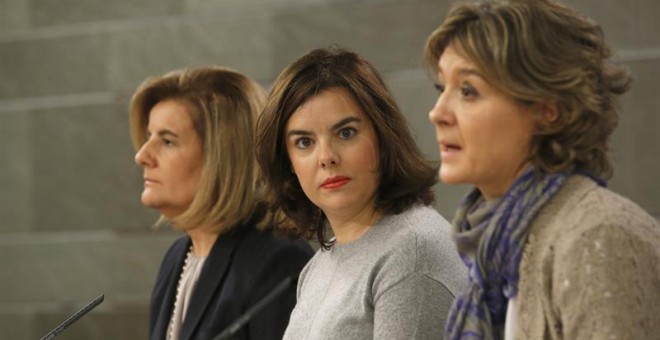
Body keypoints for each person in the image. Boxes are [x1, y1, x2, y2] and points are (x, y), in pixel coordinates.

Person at [424, 0, 660, 339]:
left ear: (548, 108)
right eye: (440, 88)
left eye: (468, 91)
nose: (438, 112)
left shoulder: (598, 236)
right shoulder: (490, 248)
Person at [255, 46, 466, 339]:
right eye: (304, 142)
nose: (326, 156)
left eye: (346, 133)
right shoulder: (318, 266)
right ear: (288, 163)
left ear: (383, 136)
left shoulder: (412, 253)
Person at [129, 66, 314, 340]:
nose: (142, 156)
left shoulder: (277, 261)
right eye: (148, 138)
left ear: (223, 158)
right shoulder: (176, 258)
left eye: (167, 141)